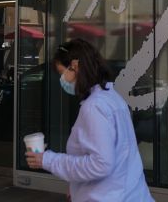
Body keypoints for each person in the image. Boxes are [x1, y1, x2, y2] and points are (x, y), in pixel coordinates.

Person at [25, 38, 153, 202]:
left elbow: (101, 164)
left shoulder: (94, 107)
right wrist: (76, 185)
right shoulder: (112, 98)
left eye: (62, 73)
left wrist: (47, 160)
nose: (62, 79)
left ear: (75, 67)